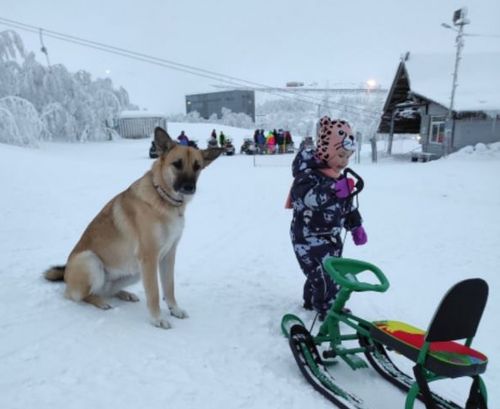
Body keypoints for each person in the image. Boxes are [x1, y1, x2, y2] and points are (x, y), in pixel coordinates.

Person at [286, 116, 367, 320]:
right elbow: (309, 198)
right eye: (340, 155)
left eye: (348, 157)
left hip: (331, 237)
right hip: (307, 237)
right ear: (326, 151)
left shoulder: (337, 177)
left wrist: (356, 225)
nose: (344, 162)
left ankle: (311, 300)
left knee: (325, 272)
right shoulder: (307, 176)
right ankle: (328, 309)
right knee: (325, 276)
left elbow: (346, 206)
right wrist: (333, 190)